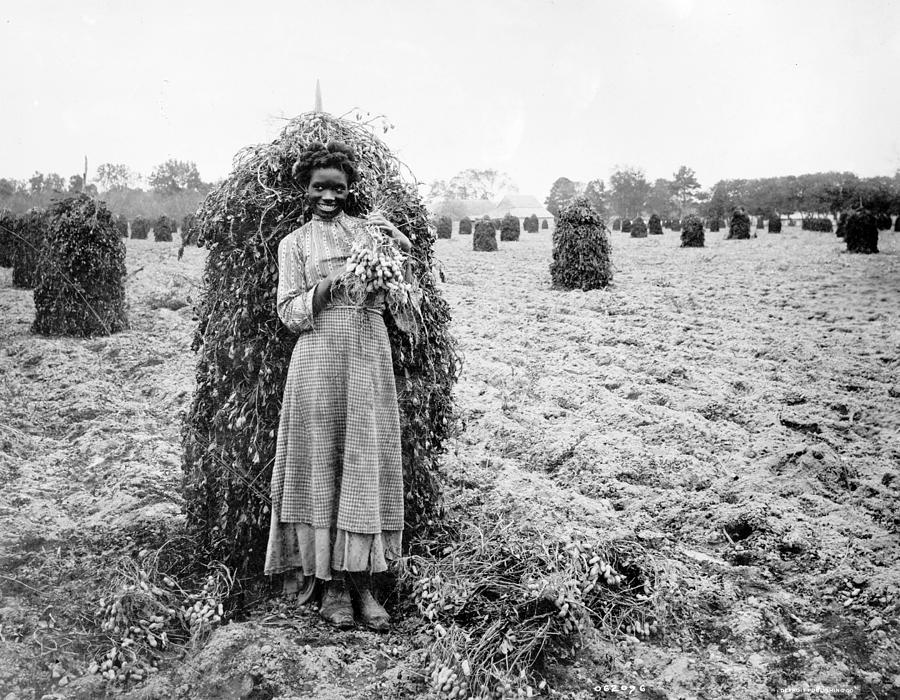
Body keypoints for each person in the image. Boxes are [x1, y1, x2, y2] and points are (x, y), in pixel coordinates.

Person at [264, 140, 412, 631]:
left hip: (367, 360)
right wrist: (325, 288)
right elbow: (288, 313)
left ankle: (364, 585)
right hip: (317, 364)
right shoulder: (295, 245)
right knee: (322, 467)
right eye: (319, 187)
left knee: (362, 465)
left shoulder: (369, 235)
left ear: (350, 191)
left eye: (338, 188)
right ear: (305, 190)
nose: (329, 196)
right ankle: (329, 588)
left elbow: (402, 300)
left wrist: (397, 255)